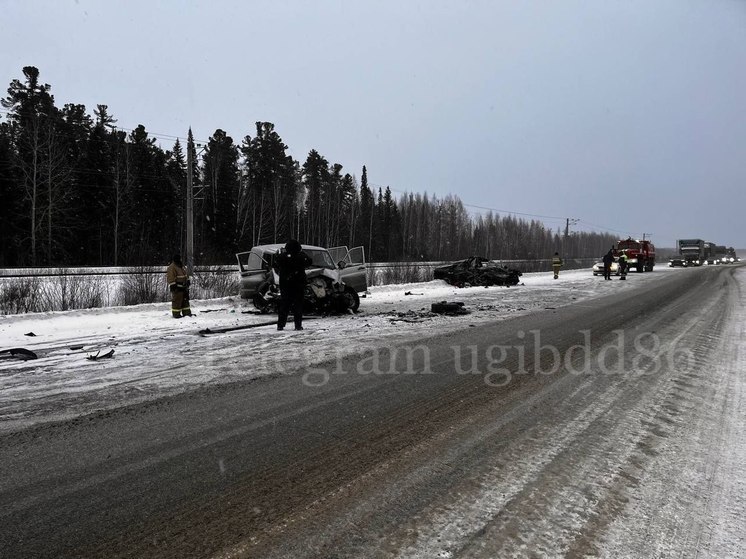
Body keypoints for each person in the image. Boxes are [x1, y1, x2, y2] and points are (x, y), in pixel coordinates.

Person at [275, 239, 312, 331]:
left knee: (284, 305)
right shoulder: (301, 257)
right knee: (298, 305)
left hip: (285, 284)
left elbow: (275, 263)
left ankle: (280, 325)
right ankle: (298, 325)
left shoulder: (282, 257)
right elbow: (309, 262)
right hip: (298, 284)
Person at [166, 254, 191, 318]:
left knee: (185, 301)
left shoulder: (181, 266)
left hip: (184, 287)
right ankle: (176, 314)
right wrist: (173, 285)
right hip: (177, 287)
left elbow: (185, 274)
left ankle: (187, 313)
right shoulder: (172, 267)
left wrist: (188, 280)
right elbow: (170, 277)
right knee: (177, 301)